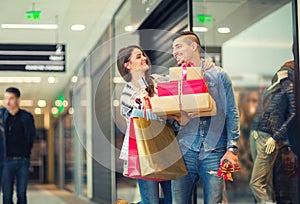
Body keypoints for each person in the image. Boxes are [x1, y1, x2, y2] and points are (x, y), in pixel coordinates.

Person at [170, 31, 240, 204]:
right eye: (172, 49)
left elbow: (231, 112)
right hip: (184, 150)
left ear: (193, 46)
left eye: (178, 46)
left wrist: (232, 148)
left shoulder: (218, 75)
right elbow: (169, 115)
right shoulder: (175, 80)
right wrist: (178, 121)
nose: (174, 52)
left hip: (214, 152)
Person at [117, 45, 172, 204]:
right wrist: (139, 100)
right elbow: (133, 105)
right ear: (128, 65)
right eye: (138, 57)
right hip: (144, 152)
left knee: (173, 200)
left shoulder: (157, 80)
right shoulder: (127, 92)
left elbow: (179, 80)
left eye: (143, 55)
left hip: (165, 147)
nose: (144, 59)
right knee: (151, 201)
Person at [249, 60, 296, 203]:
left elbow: (292, 114)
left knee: (256, 183)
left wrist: (276, 138)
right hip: (257, 132)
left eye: (286, 69)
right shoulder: (275, 85)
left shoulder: (289, 86)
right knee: (265, 182)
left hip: (268, 136)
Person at [1, 87, 35, 204]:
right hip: (6, 161)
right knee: (6, 195)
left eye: (11, 98)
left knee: (21, 193)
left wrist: (26, 153)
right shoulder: (1, 116)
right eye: (5, 98)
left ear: (18, 100)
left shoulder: (26, 117)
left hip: (23, 161)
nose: (7, 102)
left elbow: (31, 137)